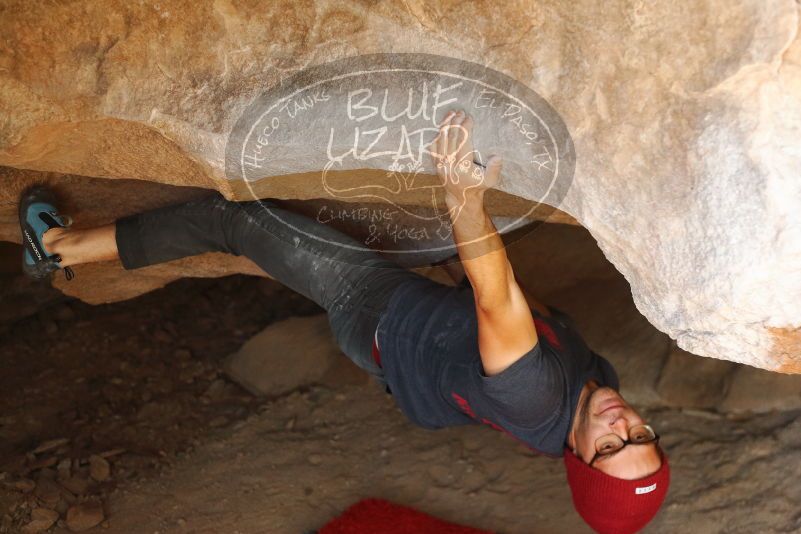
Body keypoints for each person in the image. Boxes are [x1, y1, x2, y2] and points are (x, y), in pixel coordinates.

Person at [18, 109, 669, 533]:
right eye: (641, 438)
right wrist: (452, 271)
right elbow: (531, 316)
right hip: (421, 350)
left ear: (576, 458)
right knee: (307, 250)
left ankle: (56, 250)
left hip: (377, 314)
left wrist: (462, 204)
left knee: (237, 223)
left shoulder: (543, 397)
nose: (621, 425)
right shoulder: (596, 387)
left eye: (609, 448)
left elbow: (499, 302)